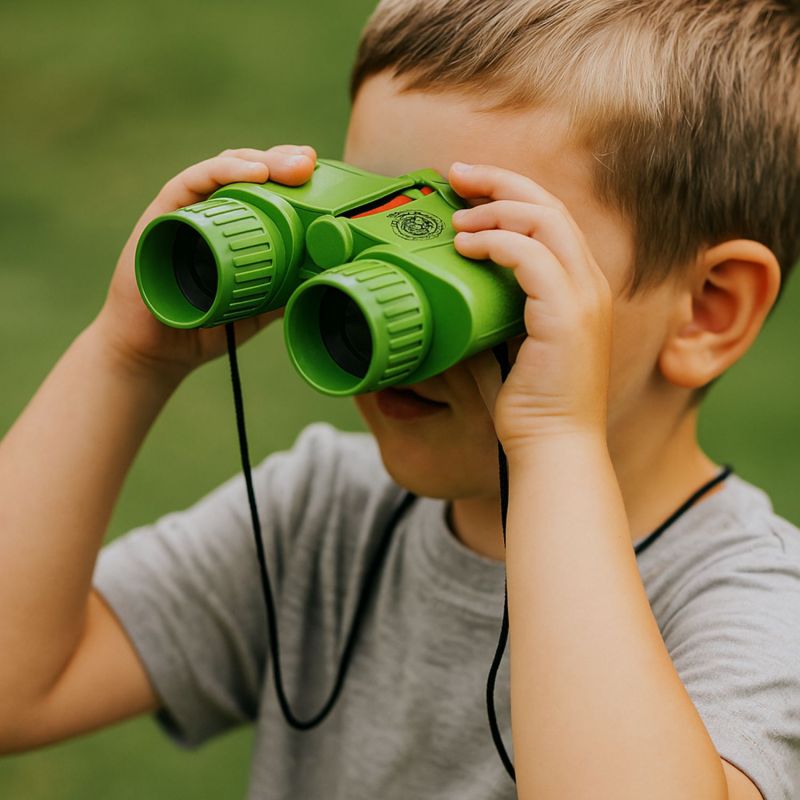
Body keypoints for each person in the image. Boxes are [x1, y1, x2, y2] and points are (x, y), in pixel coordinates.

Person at [1, 0, 799, 798]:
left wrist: (553, 439)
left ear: (708, 309)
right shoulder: (325, 517)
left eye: (481, 248)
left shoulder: (757, 611)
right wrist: (127, 355)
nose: (367, 300)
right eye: (370, 206)